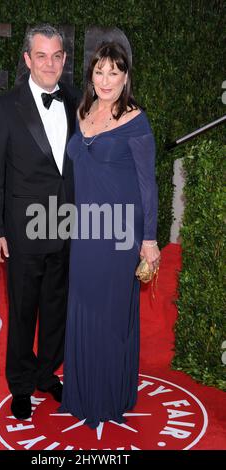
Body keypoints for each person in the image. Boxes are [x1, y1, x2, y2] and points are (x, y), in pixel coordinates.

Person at [0, 25, 80, 420]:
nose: (50, 63)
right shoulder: (5, 107)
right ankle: (20, 384)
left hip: (67, 226)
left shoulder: (75, 101)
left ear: (65, 60)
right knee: (23, 312)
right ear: (27, 59)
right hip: (23, 230)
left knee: (57, 309)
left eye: (57, 56)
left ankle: (45, 373)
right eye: (42, 56)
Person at [59, 42, 161, 429]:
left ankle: (108, 396)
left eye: (113, 73)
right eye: (99, 72)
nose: (105, 80)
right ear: (91, 76)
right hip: (85, 230)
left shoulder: (136, 119)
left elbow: (147, 184)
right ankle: (82, 393)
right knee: (82, 307)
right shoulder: (81, 112)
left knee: (110, 314)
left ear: (125, 77)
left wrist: (148, 241)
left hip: (119, 234)